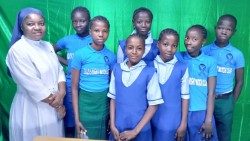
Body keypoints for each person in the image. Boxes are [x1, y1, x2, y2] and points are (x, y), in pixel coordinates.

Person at [6, 7, 66, 141]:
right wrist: (59, 105)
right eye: (30, 24)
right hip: (30, 108)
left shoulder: (48, 46)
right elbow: (32, 85)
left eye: (41, 23)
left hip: (54, 106)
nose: (37, 27)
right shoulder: (17, 50)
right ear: (22, 26)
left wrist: (61, 93)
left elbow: (59, 70)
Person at [108, 34, 164, 141]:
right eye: (130, 48)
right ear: (125, 49)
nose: (134, 51)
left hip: (141, 131)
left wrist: (135, 131)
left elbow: (154, 106)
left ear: (144, 51)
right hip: (118, 129)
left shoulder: (150, 73)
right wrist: (113, 125)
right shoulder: (116, 69)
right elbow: (113, 99)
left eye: (139, 48)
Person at [71, 16, 116, 140]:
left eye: (105, 31)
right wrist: (76, 118)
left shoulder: (111, 56)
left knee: (100, 136)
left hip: (102, 104)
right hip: (84, 104)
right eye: (96, 30)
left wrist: (111, 117)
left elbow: (113, 87)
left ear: (108, 32)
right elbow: (74, 88)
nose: (101, 34)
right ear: (90, 31)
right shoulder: (80, 54)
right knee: (83, 136)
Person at [202, 14, 245, 141]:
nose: (224, 31)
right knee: (203, 133)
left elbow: (240, 81)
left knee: (224, 135)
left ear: (234, 32)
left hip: (225, 100)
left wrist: (231, 102)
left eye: (228, 29)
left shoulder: (237, 54)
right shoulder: (205, 50)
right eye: (221, 27)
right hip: (205, 98)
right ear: (216, 28)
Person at [54, 6, 92, 137]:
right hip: (70, 86)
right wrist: (67, 63)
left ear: (89, 21)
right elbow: (50, 51)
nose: (78, 24)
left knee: (85, 119)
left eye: (82, 21)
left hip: (87, 86)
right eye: (75, 21)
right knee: (70, 121)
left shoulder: (95, 39)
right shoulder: (67, 40)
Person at [176, 25, 218, 141]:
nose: (189, 42)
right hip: (181, 111)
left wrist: (208, 120)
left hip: (201, 112)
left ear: (203, 41)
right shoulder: (177, 56)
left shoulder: (210, 61)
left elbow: (211, 92)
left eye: (194, 39)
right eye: (187, 38)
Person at [150, 28, 189, 141]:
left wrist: (183, 124)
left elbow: (185, 97)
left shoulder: (182, 68)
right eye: (165, 44)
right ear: (158, 44)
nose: (169, 49)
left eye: (174, 45)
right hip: (149, 119)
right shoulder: (148, 66)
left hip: (172, 120)